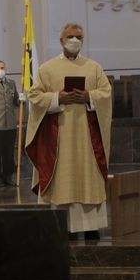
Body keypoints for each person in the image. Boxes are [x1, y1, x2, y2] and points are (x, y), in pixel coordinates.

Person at [24, 24, 113, 241]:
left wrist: (89, 97)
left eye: (79, 37)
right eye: (70, 36)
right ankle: (62, 225)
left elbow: (106, 94)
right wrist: (57, 98)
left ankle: (91, 227)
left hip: (86, 138)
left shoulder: (93, 68)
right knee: (62, 180)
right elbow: (34, 97)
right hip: (59, 138)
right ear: (62, 40)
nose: (75, 40)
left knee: (87, 178)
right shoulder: (47, 69)